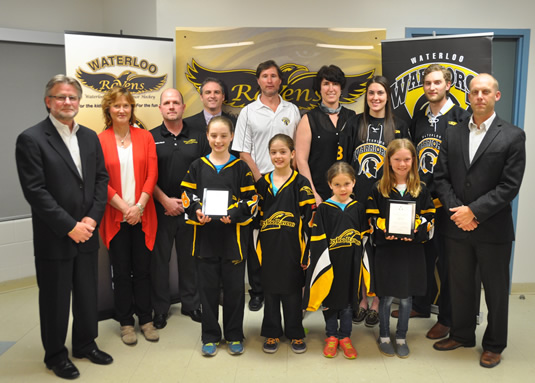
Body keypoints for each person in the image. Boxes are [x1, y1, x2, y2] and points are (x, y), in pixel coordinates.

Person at [15, 75, 112, 379]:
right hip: (55, 236)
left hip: (87, 230)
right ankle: (55, 355)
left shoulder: (89, 136)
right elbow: (36, 192)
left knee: (86, 295)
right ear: (49, 102)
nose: (67, 103)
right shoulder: (31, 139)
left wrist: (92, 219)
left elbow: (100, 180)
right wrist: (70, 226)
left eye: (72, 98)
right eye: (60, 97)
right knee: (55, 299)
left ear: (79, 102)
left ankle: (85, 344)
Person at [432, 73, 526, 368]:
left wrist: (474, 212)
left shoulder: (512, 135)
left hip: (493, 229)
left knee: (496, 290)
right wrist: (459, 212)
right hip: (457, 226)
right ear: (468, 96)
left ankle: (494, 344)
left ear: (496, 96)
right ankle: (461, 334)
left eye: (486, 91)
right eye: (475, 92)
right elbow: (441, 178)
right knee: (460, 285)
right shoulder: (453, 133)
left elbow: (509, 186)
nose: (480, 96)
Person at [393, 64, 470, 340]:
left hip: (449, 203)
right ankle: (422, 305)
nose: (432, 87)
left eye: (437, 82)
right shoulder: (419, 117)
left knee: (449, 264)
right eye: (427, 83)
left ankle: (447, 318)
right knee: (422, 256)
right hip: (422, 200)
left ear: (448, 85)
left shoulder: (462, 117)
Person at [181, 116, 258, 357]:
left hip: (233, 241)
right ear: (207, 136)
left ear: (232, 137)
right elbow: (186, 195)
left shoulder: (241, 168)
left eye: (224, 135)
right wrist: (197, 210)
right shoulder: (197, 166)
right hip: (205, 240)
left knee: (235, 292)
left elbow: (252, 201)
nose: (218, 140)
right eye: (214, 135)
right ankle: (210, 336)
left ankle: (235, 335)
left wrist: (234, 213)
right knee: (208, 291)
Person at [232, 60, 301, 311]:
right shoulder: (248, 111)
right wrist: (262, 181)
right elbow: (243, 151)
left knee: (286, 235)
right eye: (264, 76)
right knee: (257, 237)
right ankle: (259, 290)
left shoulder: (292, 110)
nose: (269, 80)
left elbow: (297, 149)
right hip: (259, 183)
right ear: (258, 81)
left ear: (280, 81)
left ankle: (288, 285)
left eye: (274, 76)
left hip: (288, 184)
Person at [345, 76, 409, 328]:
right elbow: (344, 164)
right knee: (361, 251)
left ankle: (377, 301)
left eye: (380, 93)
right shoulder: (354, 123)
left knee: (381, 250)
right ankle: (362, 299)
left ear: (387, 96)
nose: (375, 97)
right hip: (358, 198)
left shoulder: (400, 125)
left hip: (388, 198)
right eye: (371, 93)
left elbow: (406, 161)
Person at [98, 86, 159, 345]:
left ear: (132, 108)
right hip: (115, 217)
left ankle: (146, 319)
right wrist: (125, 208)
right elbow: (99, 180)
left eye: (126, 105)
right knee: (121, 272)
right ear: (108, 110)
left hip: (143, 214)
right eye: (116, 106)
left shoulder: (144, 137)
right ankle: (125, 323)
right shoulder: (99, 140)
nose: (122, 110)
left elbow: (152, 175)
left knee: (144, 271)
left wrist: (140, 207)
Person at [367, 138, 435, 358]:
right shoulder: (379, 189)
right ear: (389, 161)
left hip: (411, 251)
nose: (402, 164)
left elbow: (429, 218)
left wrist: (415, 231)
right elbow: (371, 218)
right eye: (397, 159)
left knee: (406, 297)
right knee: (386, 296)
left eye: (407, 159)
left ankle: (402, 336)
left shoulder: (421, 189)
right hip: (387, 251)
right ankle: (384, 335)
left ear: (414, 161)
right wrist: (385, 229)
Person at [150, 89, 210, 328]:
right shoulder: (150, 137)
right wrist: (164, 200)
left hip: (191, 208)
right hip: (159, 209)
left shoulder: (199, 136)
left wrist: (186, 203)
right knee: (158, 261)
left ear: (184, 107)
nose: (172, 106)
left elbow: (205, 173)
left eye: (176, 102)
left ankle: (191, 304)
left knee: (190, 259)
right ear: (160, 108)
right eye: (167, 103)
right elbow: (145, 176)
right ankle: (160, 309)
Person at [255, 134, 315, 354]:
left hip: (293, 247)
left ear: (292, 154)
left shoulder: (300, 183)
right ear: (269, 154)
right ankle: (272, 332)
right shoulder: (262, 183)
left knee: (291, 292)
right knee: (270, 292)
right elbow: (255, 216)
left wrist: (309, 251)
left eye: (283, 152)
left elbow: (310, 220)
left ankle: (295, 333)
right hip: (268, 247)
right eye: (273, 152)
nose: (278, 156)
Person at [304, 161, 369, 360]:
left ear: (354, 183)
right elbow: (317, 239)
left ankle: (345, 336)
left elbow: (364, 238)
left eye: (347, 184)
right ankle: (331, 335)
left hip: (351, 264)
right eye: (338, 184)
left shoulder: (358, 208)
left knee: (349, 302)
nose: (343, 189)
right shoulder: (324, 209)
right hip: (329, 264)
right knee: (330, 300)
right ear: (330, 184)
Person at [295, 64, 356, 205]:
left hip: (347, 194)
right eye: (326, 84)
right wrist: (312, 193)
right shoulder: (308, 119)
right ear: (319, 88)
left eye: (335, 84)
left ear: (341, 88)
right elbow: (301, 160)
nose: (331, 89)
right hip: (319, 194)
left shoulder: (352, 117)